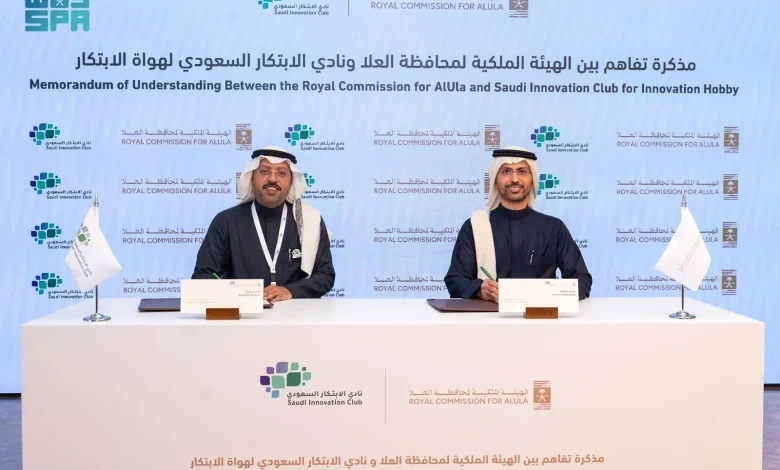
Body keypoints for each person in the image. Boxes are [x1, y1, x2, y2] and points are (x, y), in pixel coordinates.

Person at [444, 146, 592, 301]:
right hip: (490, 314)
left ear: (532, 180)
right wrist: (479, 290)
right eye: (506, 171)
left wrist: (551, 295)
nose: (514, 179)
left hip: (541, 314)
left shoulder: (554, 228)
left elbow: (581, 279)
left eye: (522, 171)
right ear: (495, 181)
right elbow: (456, 279)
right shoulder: (475, 227)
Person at [192, 146, 335, 301]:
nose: (272, 179)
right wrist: (241, 294)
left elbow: (325, 275)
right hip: (243, 312)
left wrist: (290, 291)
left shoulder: (310, 220)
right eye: (264, 171)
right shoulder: (226, 221)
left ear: (291, 181)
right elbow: (204, 275)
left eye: (282, 173)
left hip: (296, 312)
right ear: (252, 177)